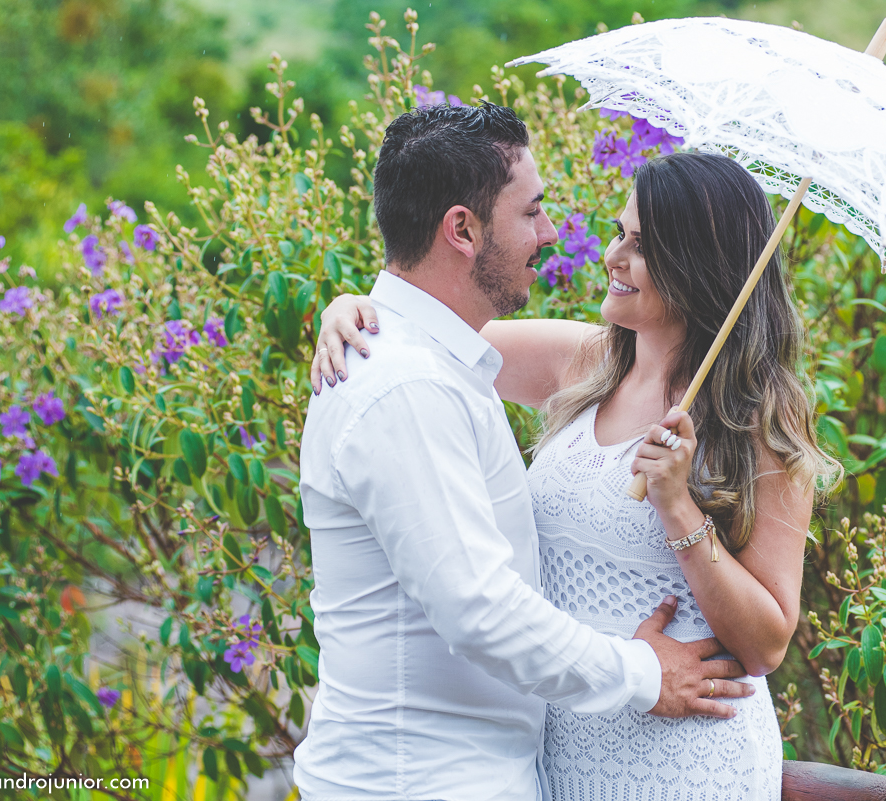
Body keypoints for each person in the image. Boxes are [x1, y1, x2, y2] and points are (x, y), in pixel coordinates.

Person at [314, 150, 843, 799]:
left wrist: (681, 509)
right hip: (564, 743)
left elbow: (766, 643)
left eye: (641, 246)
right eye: (620, 233)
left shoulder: (759, 419)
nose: (612, 256)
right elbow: (426, 333)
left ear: (699, 265)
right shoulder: (588, 361)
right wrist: (350, 310)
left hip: (684, 752)